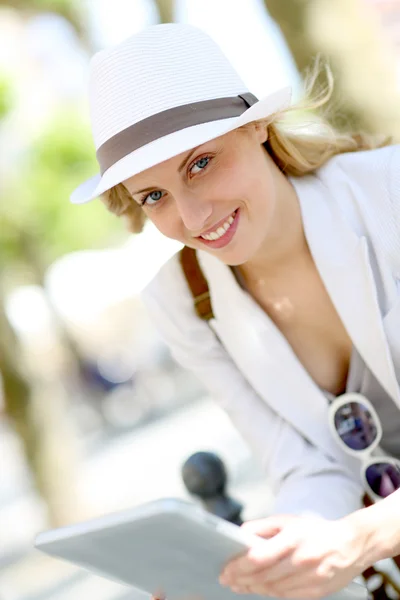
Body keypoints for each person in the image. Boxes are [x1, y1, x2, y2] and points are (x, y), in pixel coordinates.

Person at [70, 23, 400, 599]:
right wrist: (256, 559)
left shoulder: (389, 195)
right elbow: (304, 467)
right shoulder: (180, 301)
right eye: (154, 196)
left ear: (255, 127)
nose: (194, 217)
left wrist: (365, 536)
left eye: (200, 163)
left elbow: (357, 534)